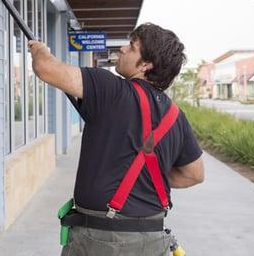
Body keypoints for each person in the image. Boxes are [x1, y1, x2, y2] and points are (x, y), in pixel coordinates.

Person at [28, 23, 204, 256]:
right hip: (152, 239)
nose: (122, 49)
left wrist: (40, 49)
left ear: (145, 65)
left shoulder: (111, 89)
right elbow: (194, 174)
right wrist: (145, 178)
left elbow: (45, 68)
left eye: (131, 47)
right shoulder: (175, 116)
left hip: (102, 241)